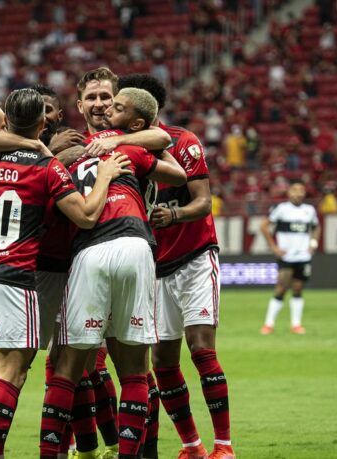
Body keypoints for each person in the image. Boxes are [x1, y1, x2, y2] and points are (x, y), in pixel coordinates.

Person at [0, 90, 130, 459]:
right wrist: (105, 176)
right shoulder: (46, 166)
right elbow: (86, 216)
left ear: (7, 121)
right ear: (43, 123)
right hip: (12, 279)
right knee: (11, 376)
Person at [39, 88, 186, 459]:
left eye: (114, 103)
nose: (106, 107)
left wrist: (56, 154)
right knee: (135, 371)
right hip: (136, 244)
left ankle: (53, 453)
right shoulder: (127, 149)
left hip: (88, 251)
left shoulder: (65, 158)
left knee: (66, 368)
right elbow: (178, 175)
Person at [118, 73, 235, 459]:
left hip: (195, 256)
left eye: (121, 104)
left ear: (144, 111)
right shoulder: (120, 149)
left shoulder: (183, 142)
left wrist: (174, 214)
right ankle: (192, 446)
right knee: (163, 362)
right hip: (155, 265)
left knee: (201, 349)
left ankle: (224, 446)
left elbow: (203, 201)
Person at [260, 180, 321, 335]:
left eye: (301, 190)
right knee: (281, 287)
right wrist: (274, 247)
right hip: (286, 257)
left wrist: (313, 243)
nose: (298, 193)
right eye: (295, 190)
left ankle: (296, 325)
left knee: (298, 288)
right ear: (289, 192)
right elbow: (264, 226)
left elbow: (316, 227)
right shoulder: (281, 209)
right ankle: (268, 324)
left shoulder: (309, 210)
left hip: (303, 256)